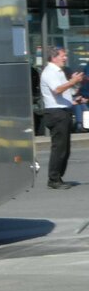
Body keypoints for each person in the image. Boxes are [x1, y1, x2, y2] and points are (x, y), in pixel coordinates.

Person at [40, 46, 85, 190]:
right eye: (62, 56)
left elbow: (62, 94)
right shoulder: (50, 72)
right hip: (56, 113)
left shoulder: (59, 72)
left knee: (65, 148)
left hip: (63, 111)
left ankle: (57, 177)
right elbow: (57, 90)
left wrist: (74, 101)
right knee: (59, 148)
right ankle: (53, 179)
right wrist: (72, 81)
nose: (65, 58)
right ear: (54, 57)